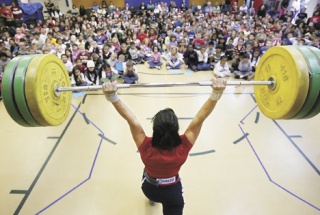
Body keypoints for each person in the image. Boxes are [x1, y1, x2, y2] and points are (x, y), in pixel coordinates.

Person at [101, 77, 226, 215]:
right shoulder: (183, 147)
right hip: (172, 194)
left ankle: (153, 198)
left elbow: (131, 119)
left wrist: (112, 96)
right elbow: (200, 118)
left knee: (147, 172)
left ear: (154, 130)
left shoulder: (146, 147)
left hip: (150, 190)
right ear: (176, 129)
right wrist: (216, 93)